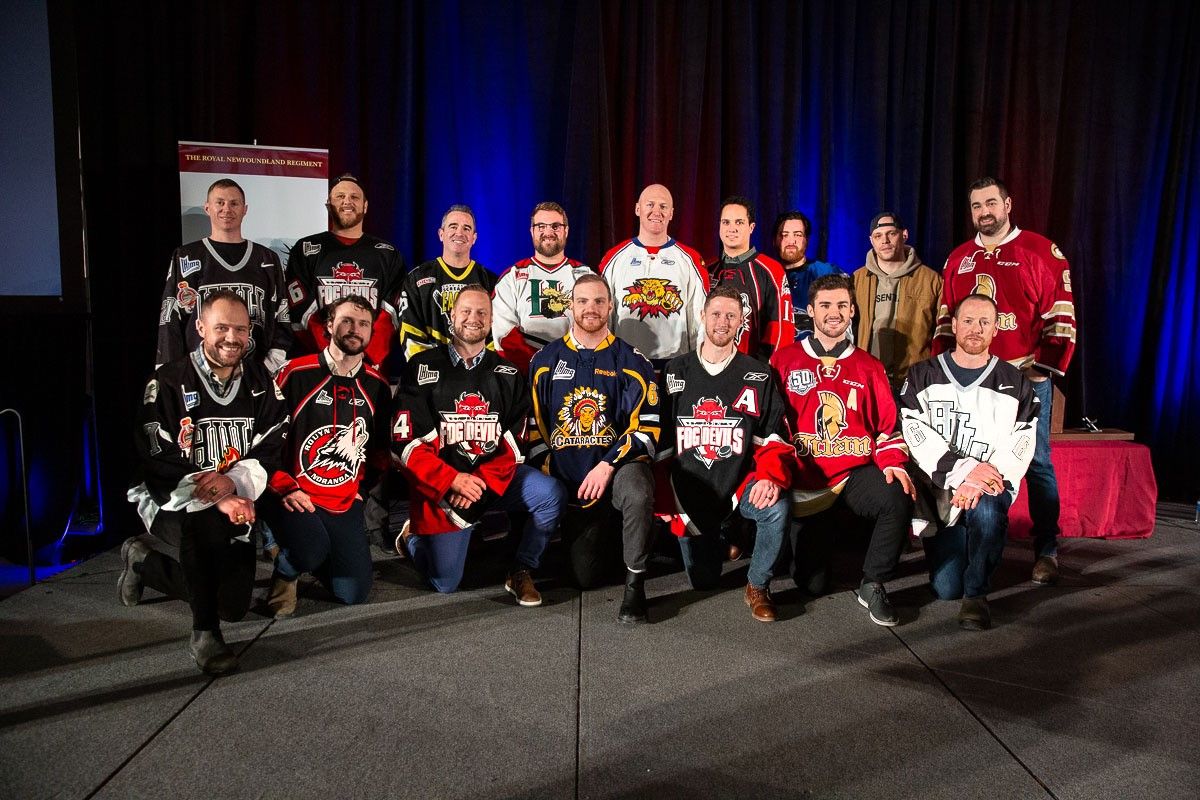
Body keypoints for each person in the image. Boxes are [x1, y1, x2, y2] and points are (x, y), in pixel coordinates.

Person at [123, 291, 288, 674]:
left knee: (233, 606)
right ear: (200, 328)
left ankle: (142, 562)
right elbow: (156, 455)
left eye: (241, 329)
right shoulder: (166, 381)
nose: (232, 338)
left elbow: (272, 443)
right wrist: (216, 498)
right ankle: (204, 635)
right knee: (204, 525)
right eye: (222, 328)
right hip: (173, 502)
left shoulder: (261, 383)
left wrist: (232, 488)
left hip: (235, 500)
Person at [933, 177, 1076, 585]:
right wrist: (942, 370)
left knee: (1038, 462)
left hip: (1025, 376)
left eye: (991, 203)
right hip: (969, 379)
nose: (984, 212)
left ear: (1008, 204)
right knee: (965, 458)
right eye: (977, 206)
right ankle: (965, 540)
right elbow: (946, 320)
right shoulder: (958, 258)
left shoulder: (1040, 251)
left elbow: (1061, 316)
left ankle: (1046, 549)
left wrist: (1041, 369)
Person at [391, 285, 564, 604]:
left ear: (491, 319)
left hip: (490, 480)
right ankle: (413, 538)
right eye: (466, 311)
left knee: (549, 493)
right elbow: (406, 441)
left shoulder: (508, 372)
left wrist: (481, 481)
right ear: (452, 316)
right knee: (446, 583)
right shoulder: (422, 367)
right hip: (446, 486)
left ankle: (521, 569)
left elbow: (514, 446)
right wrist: (452, 480)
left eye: (482, 313)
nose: (474, 318)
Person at [770, 274, 915, 627]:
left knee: (896, 494)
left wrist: (894, 463)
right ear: (811, 311)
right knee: (812, 585)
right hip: (809, 479)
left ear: (852, 310)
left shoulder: (869, 366)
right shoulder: (784, 361)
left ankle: (874, 582)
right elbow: (770, 427)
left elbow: (887, 427)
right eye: (824, 306)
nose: (833, 313)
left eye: (840, 305)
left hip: (854, 473)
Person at [657, 286, 795, 622]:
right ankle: (724, 535)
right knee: (703, 581)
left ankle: (758, 585)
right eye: (716, 313)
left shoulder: (758, 373)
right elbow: (660, 440)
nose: (723, 321)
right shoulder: (676, 370)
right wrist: (662, 496)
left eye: (731, 315)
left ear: (742, 322)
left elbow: (774, 435)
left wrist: (769, 476)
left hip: (738, 484)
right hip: (691, 492)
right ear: (702, 317)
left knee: (776, 507)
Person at [901, 294, 1039, 629]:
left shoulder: (1015, 381)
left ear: (995, 329)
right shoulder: (922, 374)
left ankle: (977, 594)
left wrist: (979, 479)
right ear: (953, 325)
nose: (975, 329)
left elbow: (1022, 440)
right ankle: (959, 547)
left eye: (984, 322)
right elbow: (914, 431)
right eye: (968, 321)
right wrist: (962, 472)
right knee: (947, 588)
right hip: (943, 490)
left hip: (987, 487)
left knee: (989, 511)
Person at [528, 274, 660, 623]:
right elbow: (532, 430)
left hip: (614, 474)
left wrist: (607, 466)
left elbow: (648, 431)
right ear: (570, 306)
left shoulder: (633, 362)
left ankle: (635, 587)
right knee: (585, 577)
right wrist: (554, 479)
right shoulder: (544, 361)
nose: (591, 309)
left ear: (611, 306)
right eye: (583, 301)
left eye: (599, 301)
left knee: (637, 489)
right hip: (571, 483)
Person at [263, 295, 393, 617]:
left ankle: (316, 552)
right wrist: (283, 485)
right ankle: (288, 567)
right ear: (329, 324)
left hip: (343, 500)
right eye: (346, 320)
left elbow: (379, 452)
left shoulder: (377, 386)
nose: (355, 329)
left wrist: (361, 492)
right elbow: (264, 442)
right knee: (308, 550)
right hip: (293, 494)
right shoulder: (295, 373)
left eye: (363, 324)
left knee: (353, 593)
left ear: (371, 333)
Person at [156, 179, 292, 371]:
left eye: (234, 203)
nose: (227, 209)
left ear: (245, 209)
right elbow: (170, 319)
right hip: (199, 375)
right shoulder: (186, 256)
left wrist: (268, 369)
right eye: (220, 202)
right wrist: (171, 373)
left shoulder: (267, 259)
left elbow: (282, 317)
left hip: (255, 374)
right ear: (207, 207)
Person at [285, 173, 406, 368]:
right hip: (316, 364)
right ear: (328, 205)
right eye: (340, 197)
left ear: (365, 206)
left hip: (368, 366)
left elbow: (391, 313)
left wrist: (365, 356)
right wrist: (333, 354)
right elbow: (300, 310)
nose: (347, 202)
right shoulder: (306, 249)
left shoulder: (387, 253)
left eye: (354, 197)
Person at [598, 183, 708, 369]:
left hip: (674, 366)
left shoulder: (691, 260)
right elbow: (604, 316)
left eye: (663, 206)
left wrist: (697, 367)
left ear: (671, 213)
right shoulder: (614, 258)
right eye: (650, 204)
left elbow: (699, 320)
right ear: (638, 209)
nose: (657, 211)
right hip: (624, 366)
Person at [492, 201, 593, 374]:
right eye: (541, 226)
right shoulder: (512, 278)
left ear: (566, 231)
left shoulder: (586, 276)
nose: (548, 232)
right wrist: (541, 367)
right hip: (527, 376)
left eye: (555, 226)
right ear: (532, 231)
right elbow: (504, 336)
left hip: (577, 373)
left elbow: (598, 327)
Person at [851, 212, 942, 392]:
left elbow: (942, 333)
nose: (885, 240)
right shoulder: (856, 279)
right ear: (871, 240)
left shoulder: (931, 280)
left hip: (914, 379)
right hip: (868, 378)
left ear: (904, 235)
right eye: (878, 236)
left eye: (891, 234)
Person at [398, 204, 496, 359]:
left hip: (478, 375)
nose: (459, 233)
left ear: (474, 238)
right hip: (432, 374)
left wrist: (478, 367)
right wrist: (432, 367)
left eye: (466, 228)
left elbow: (495, 335)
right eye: (453, 226)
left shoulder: (490, 281)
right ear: (441, 234)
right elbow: (410, 331)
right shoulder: (417, 278)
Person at [708, 196, 795, 361]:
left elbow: (782, 328)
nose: (731, 228)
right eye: (726, 222)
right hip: (709, 368)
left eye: (739, 222)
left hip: (753, 371)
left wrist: (764, 370)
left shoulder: (771, 269)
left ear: (751, 227)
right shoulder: (707, 269)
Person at [774, 210, 844, 340]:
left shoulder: (826, 273)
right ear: (775, 240)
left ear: (807, 240)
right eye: (784, 235)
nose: (791, 241)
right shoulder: (765, 274)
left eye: (798, 235)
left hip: (816, 355)